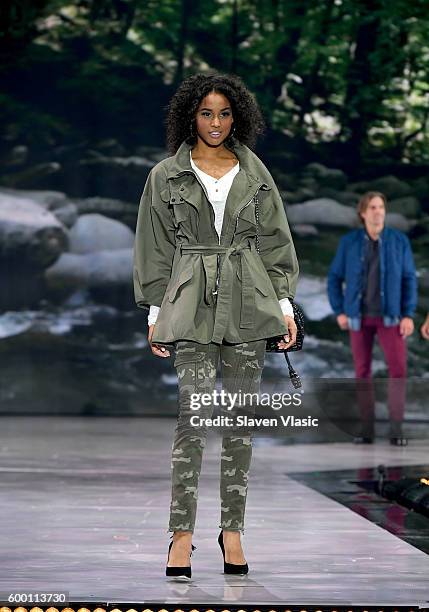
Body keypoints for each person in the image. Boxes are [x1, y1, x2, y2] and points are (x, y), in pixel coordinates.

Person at [132, 72, 299, 580]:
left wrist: (286, 306)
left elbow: (274, 239)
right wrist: (156, 313)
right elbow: (155, 245)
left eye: (225, 113)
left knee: (240, 423)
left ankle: (233, 533)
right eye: (206, 113)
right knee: (193, 421)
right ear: (190, 115)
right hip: (191, 305)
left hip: (250, 301)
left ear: (238, 116)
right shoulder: (166, 175)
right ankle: (180, 536)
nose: (216, 123)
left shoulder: (254, 171)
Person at [327, 191, 417, 446]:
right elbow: (334, 278)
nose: (378, 212)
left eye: (381, 207)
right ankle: (367, 429)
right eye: (373, 207)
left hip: (391, 317)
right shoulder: (350, 242)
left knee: (398, 371)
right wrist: (340, 311)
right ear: (363, 213)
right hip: (359, 317)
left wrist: (408, 314)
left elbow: (409, 279)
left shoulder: (399, 241)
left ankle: (396, 429)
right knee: (362, 372)